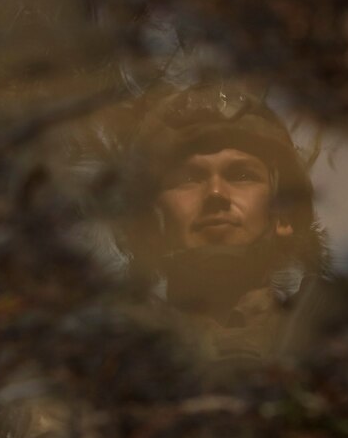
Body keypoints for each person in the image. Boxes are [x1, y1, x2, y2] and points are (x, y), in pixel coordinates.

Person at [108, 84, 335, 373]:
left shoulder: (347, 345)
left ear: (284, 216)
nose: (216, 193)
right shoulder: (110, 362)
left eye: (241, 175)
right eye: (189, 178)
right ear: (153, 224)